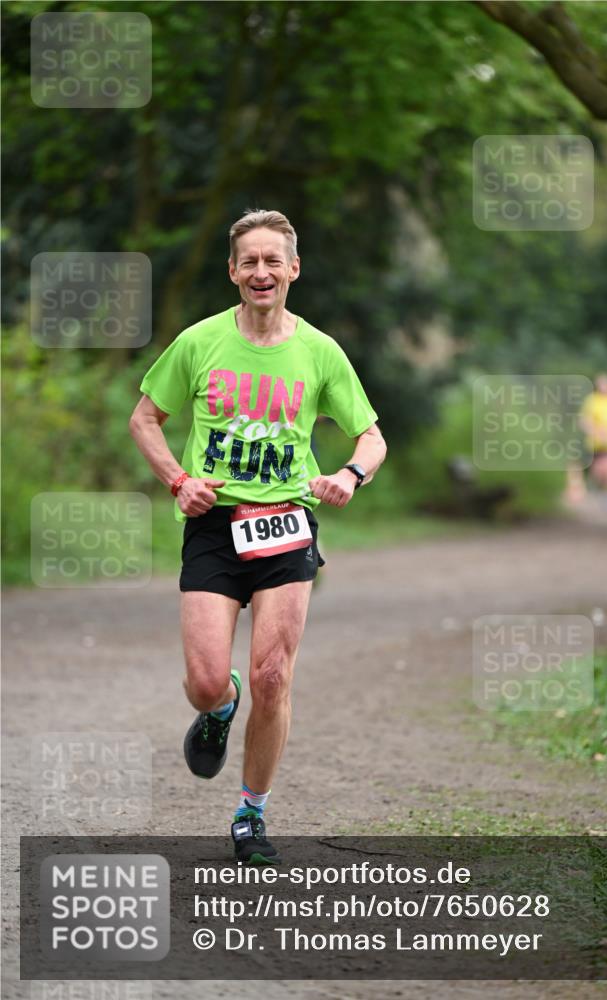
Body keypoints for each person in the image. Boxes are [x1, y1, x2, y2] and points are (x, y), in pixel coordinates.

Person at [129, 209, 386, 864]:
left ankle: (251, 814)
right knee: (205, 680)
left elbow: (370, 436)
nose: (262, 271)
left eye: (274, 260)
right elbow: (145, 419)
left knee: (275, 675)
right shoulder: (199, 342)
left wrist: (350, 476)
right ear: (233, 272)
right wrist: (176, 480)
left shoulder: (319, 351)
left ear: (293, 269)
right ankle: (220, 709)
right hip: (214, 526)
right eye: (250, 261)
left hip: (287, 523)